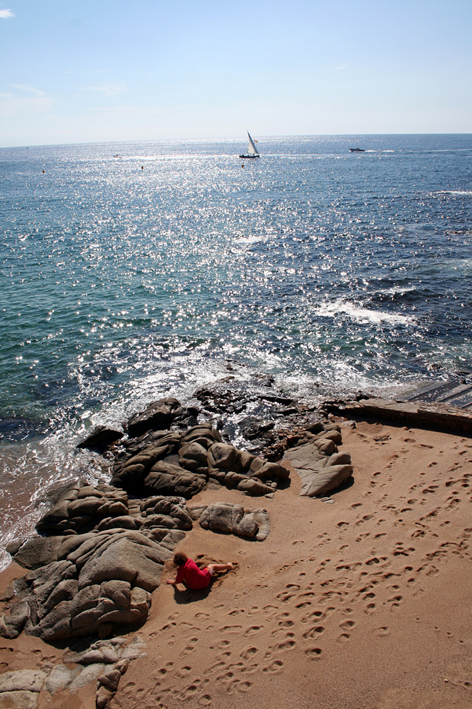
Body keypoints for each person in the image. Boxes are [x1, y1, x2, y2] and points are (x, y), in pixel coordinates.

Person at [166, 552, 233, 591]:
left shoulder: (181, 569)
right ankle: (228, 566)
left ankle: (228, 566)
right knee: (212, 566)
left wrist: (172, 582)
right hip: (204, 581)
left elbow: (178, 581)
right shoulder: (190, 561)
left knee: (183, 576)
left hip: (193, 586)